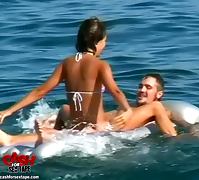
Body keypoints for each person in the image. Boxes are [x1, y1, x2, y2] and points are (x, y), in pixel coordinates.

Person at [0, 17, 132, 133]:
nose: (105, 45)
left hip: (75, 128)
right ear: (97, 42)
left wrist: (9, 111)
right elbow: (115, 91)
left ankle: (52, 132)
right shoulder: (101, 65)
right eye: (104, 41)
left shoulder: (66, 63)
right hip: (96, 129)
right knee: (146, 109)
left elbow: (40, 91)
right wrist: (127, 110)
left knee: (64, 109)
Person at [0, 73, 177, 146]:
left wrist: (190, 133)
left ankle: (12, 139)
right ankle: (48, 129)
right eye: (140, 86)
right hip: (91, 121)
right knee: (64, 111)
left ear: (160, 94)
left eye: (148, 87)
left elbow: (171, 133)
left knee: (63, 130)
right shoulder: (130, 108)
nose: (141, 90)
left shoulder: (157, 107)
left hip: (98, 130)